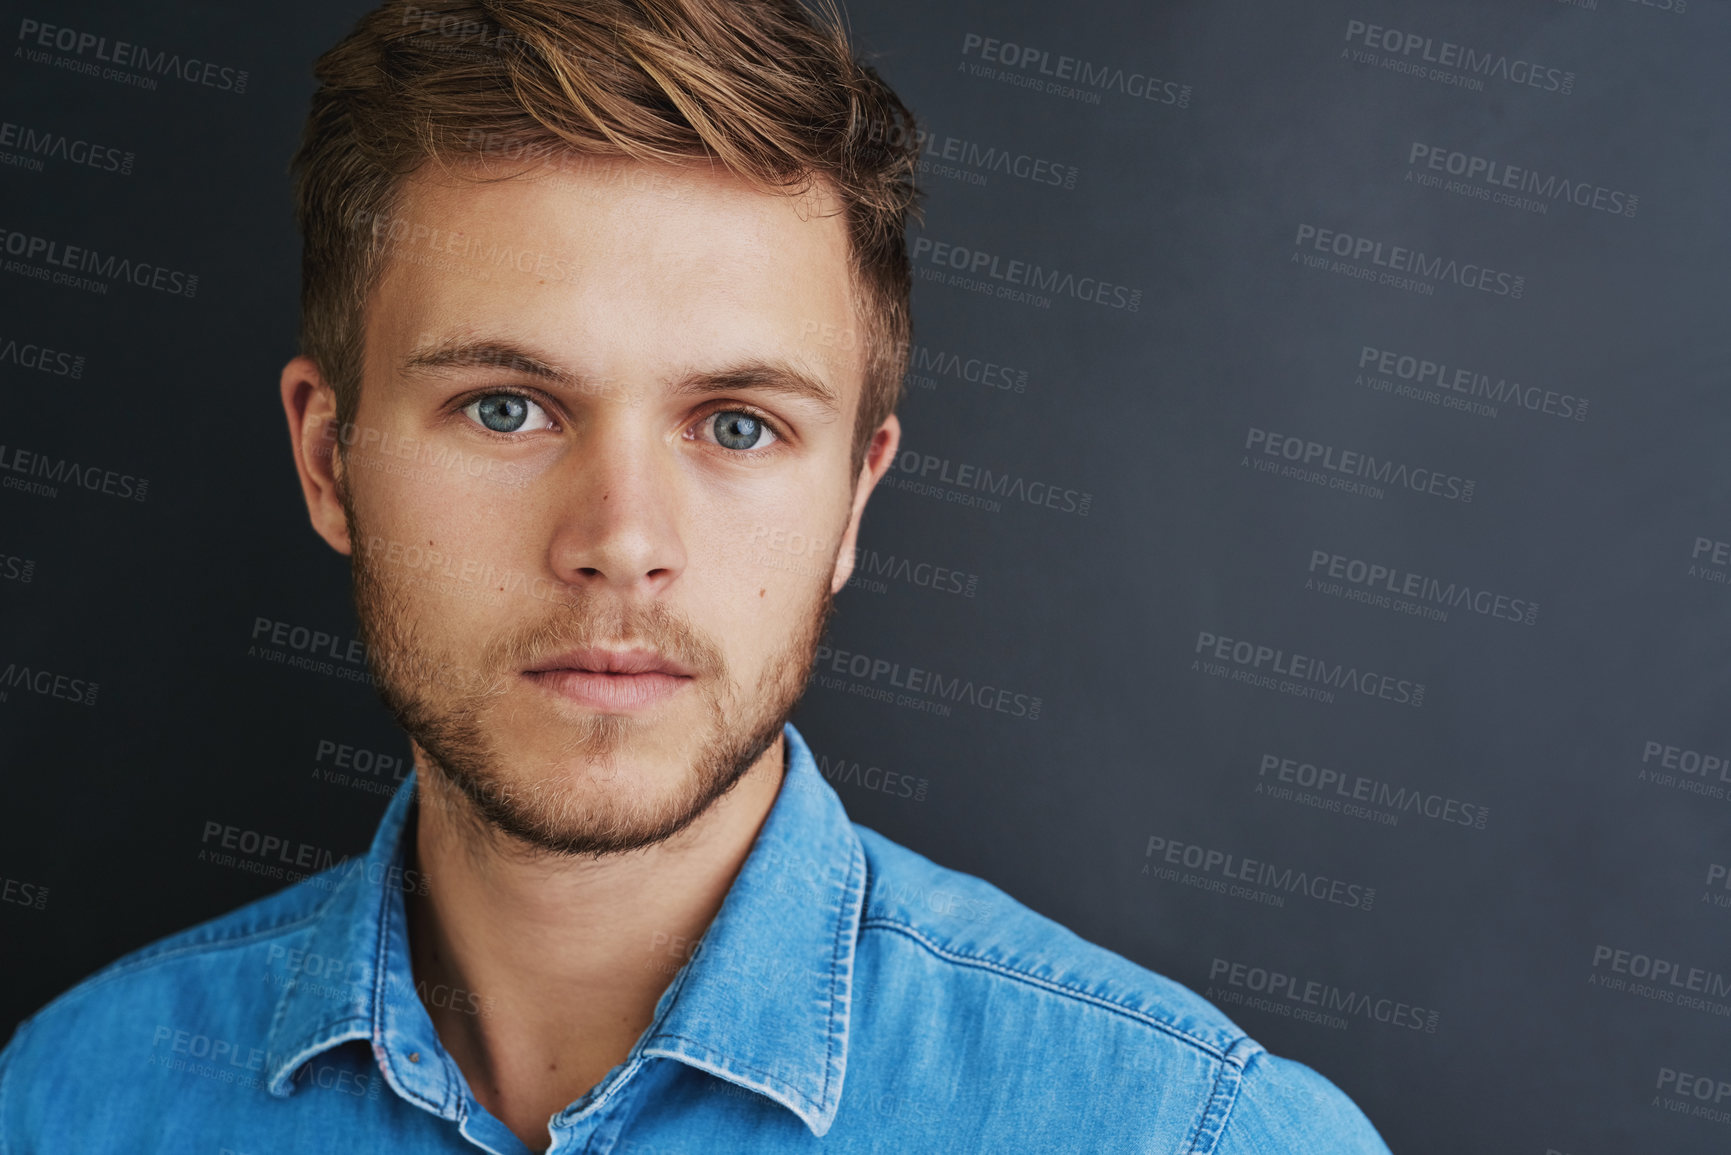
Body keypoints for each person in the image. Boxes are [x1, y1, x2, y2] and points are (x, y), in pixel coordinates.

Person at [0, 1, 1391, 1151]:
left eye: (738, 426)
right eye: (504, 406)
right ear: (327, 462)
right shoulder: (69, 1103)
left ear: (855, 496)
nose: (620, 536)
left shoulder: (1195, 1135)